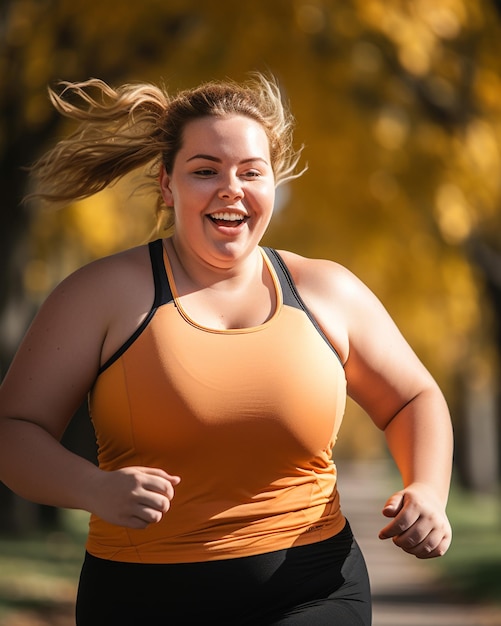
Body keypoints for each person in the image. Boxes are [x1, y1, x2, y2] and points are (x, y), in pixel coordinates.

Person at [0, 73, 453, 625]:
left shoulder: (328, 291)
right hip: (142, 598)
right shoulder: (100, 295)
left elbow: (414, 399)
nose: (230, 188)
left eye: (251, 172)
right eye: (205, 171)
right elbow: (14, 429)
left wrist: (428, 489)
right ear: (167, 185)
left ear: (272, 184)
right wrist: (92, 487)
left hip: (313, 589)